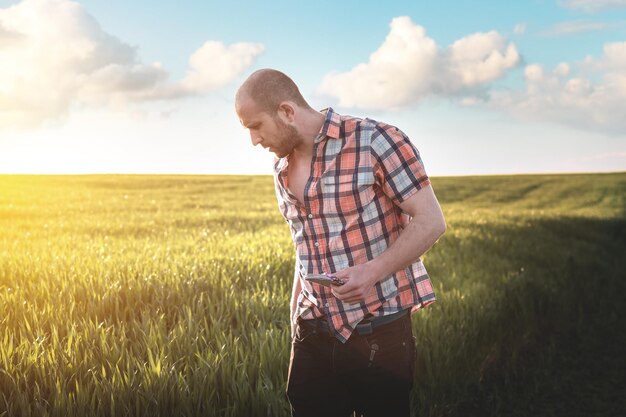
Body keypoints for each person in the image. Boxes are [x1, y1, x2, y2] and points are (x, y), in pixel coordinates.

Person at [235, 69, 446, 417]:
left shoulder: (374, 140)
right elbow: (304, 248)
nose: (254, 140)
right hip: (311, 333)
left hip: (378, 331)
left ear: (287, 111)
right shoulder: (280, 167)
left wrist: (372, 272)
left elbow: (431, 221)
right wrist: (295, 320)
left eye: (255, 126)